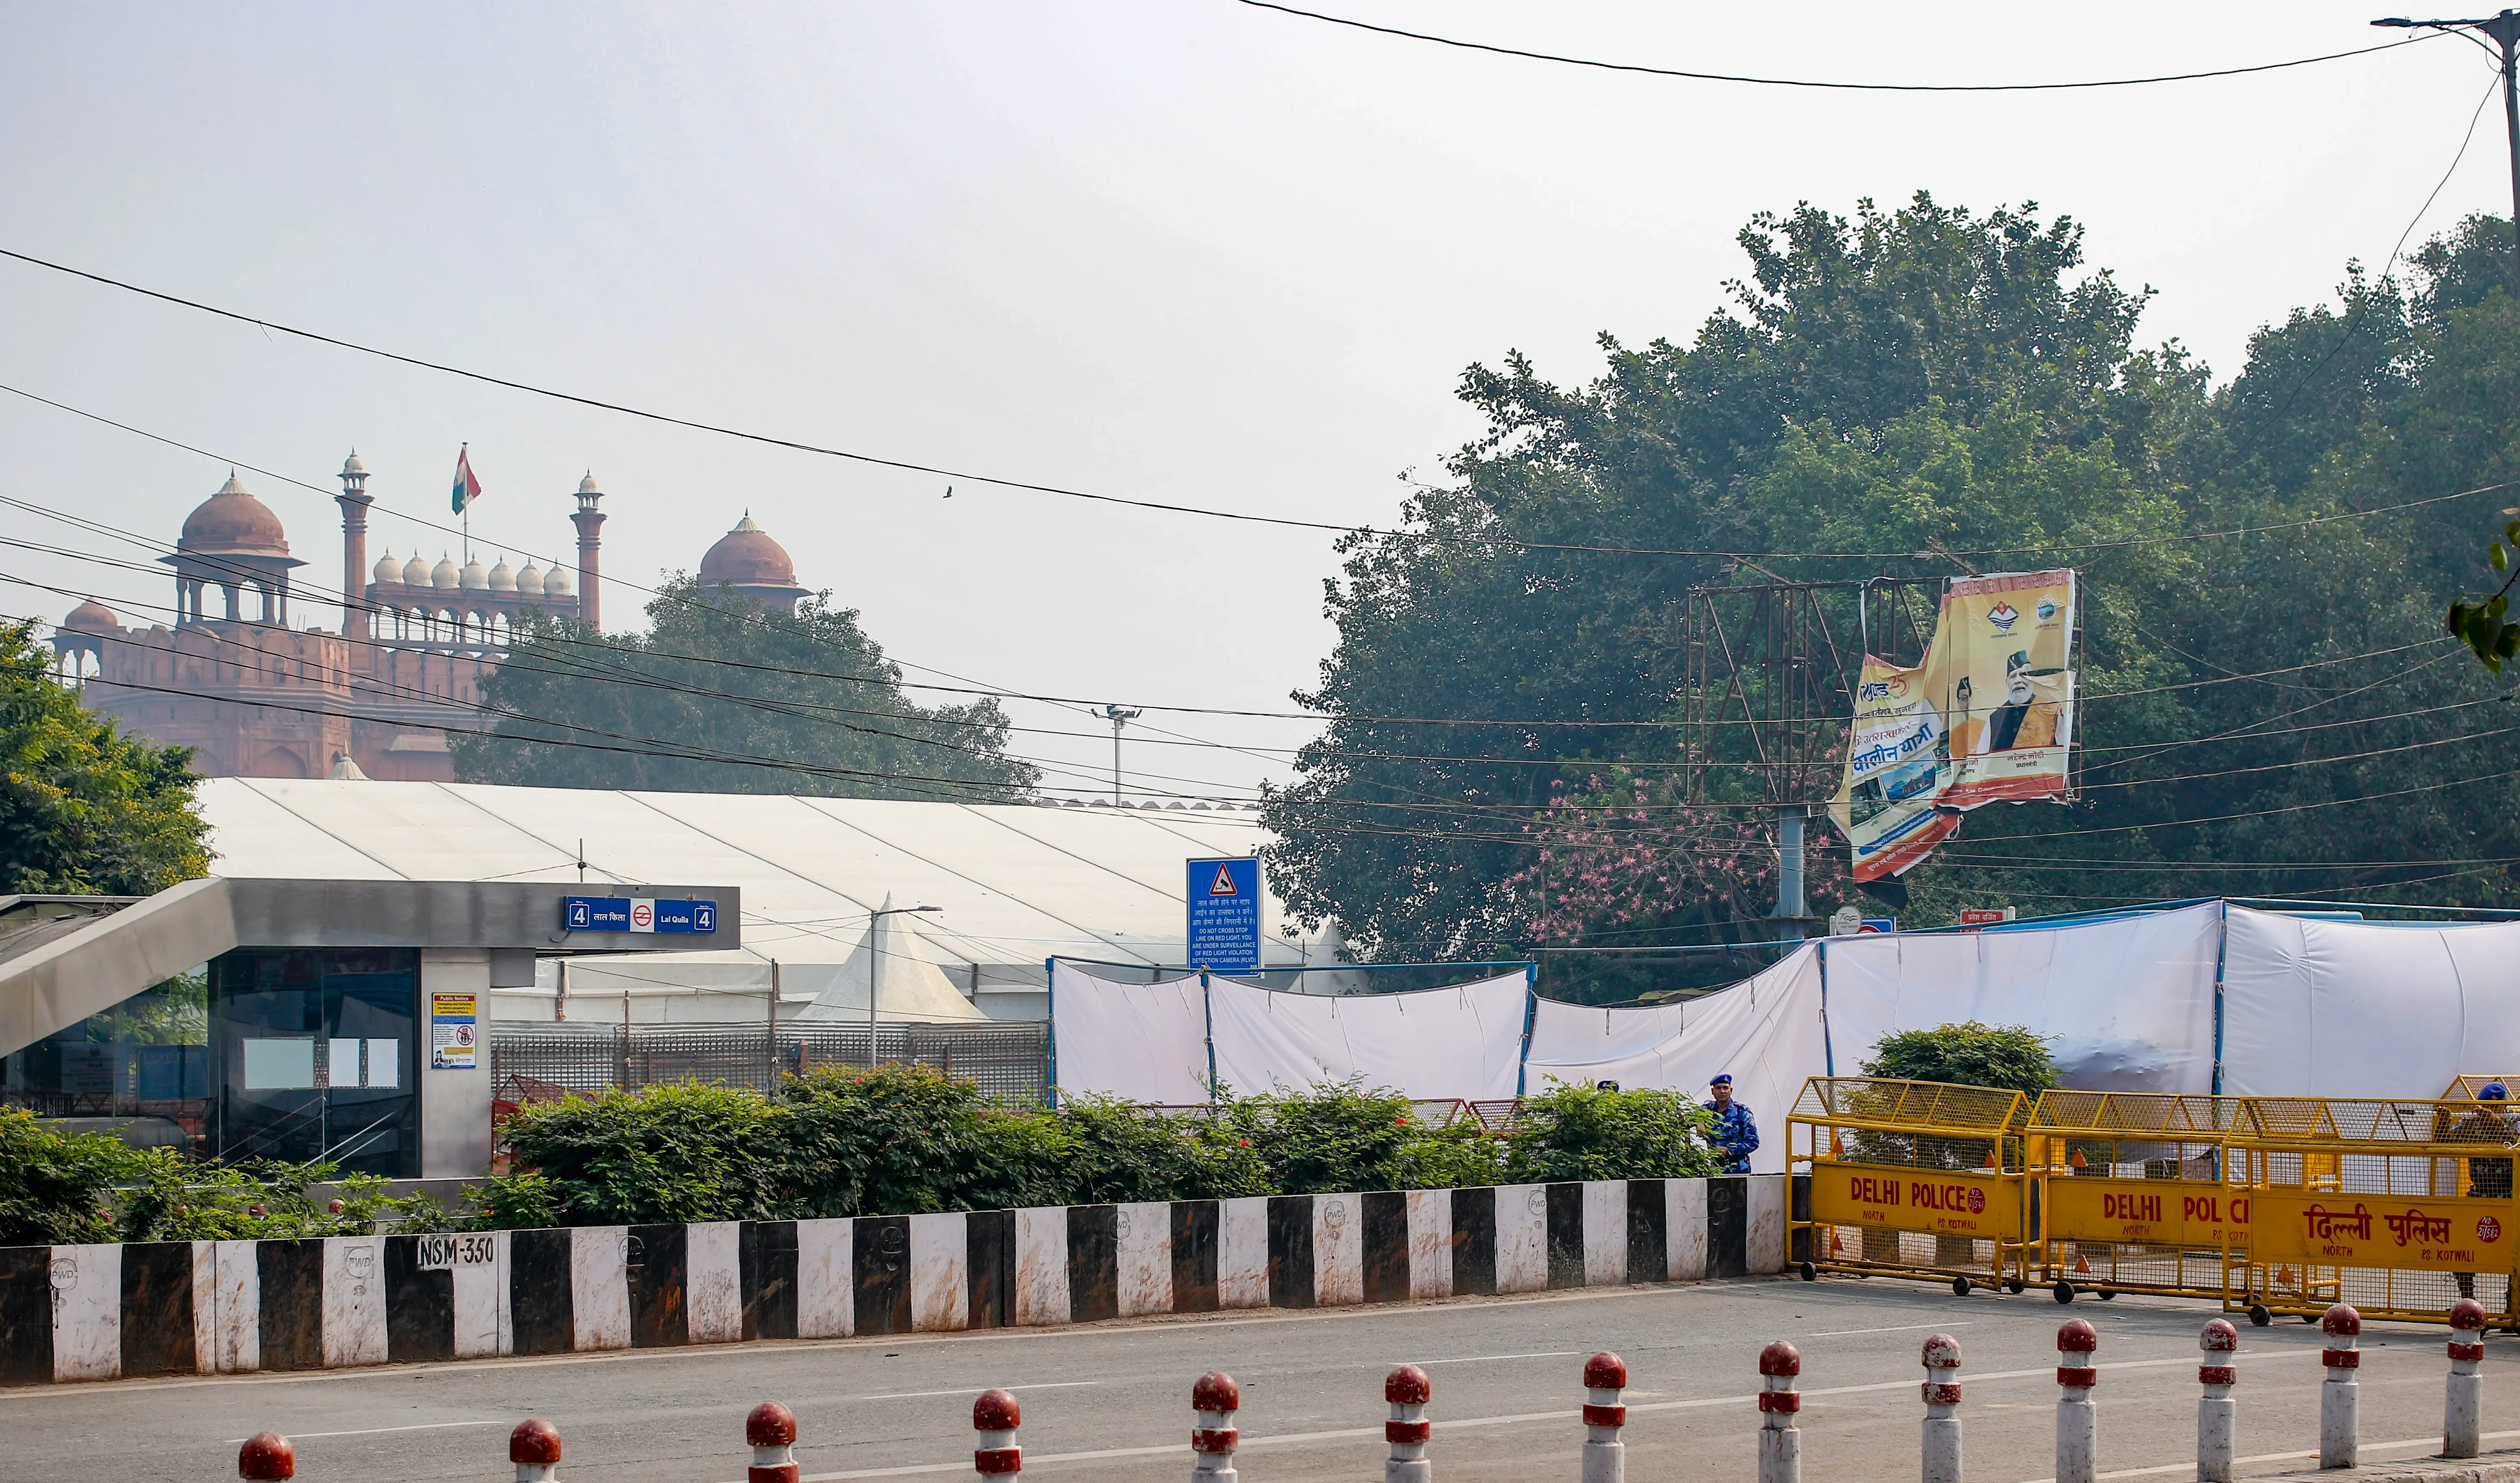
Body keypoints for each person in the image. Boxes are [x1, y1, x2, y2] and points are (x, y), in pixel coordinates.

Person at [2452, 1082, 2517, 1301]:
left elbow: (2514, 1142)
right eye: (2486, 1106)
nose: (2489, 1110)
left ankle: (2513, 1309)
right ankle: (2469, 1303)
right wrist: (2443, 1122)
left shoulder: (2516, 1120)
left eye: (2496, 1107)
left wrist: (2495, 1123)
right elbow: (2443, 1142)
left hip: (2511, 1196)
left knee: (2515, 1254)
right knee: (2461, 1248)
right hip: (2480, 1194)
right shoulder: (2471, 1122)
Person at [1704, 1073, 1759, 1174]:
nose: (1722, 1092)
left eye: (1726, 1088)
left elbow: (1753, 1142)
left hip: (1738, 1169)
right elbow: (1687, 1119)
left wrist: (1730, 1150)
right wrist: (1699, 1121)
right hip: (1715, 1170)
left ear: (1731, 1091)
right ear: (1713, 1092)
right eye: (1718, 1088)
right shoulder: (1707, 1110)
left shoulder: (1742, 1112)